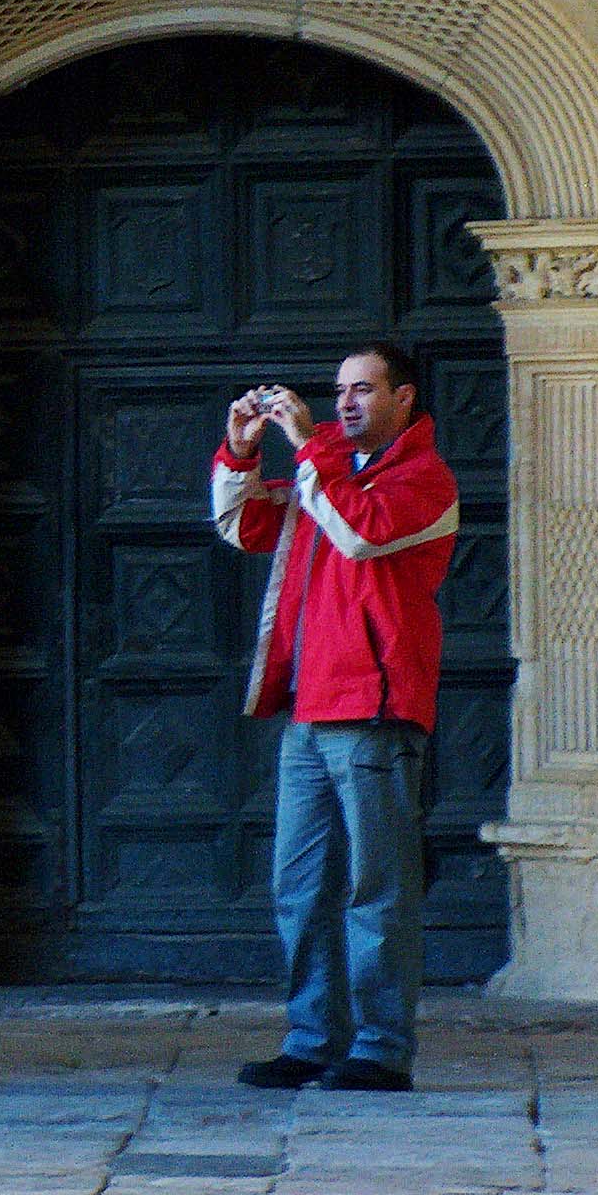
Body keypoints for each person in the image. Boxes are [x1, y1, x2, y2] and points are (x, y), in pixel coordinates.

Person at [211, 342, 458, 1094]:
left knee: (375, 888)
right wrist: (241, 451)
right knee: (301, 886)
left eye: (363, 389)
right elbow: (246, 526)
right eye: (339, 390)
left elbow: (361, 534)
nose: (346, 401)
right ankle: (315, 1039)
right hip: (309, 713)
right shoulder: (329, 479)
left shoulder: (422, 480)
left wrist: (310, 441)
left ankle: (381, 1050)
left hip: (375, 713)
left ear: (404, 400)